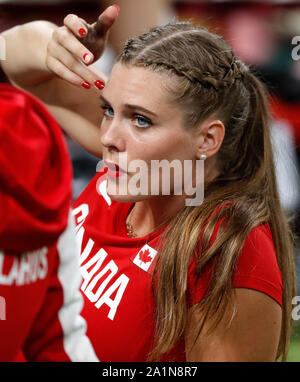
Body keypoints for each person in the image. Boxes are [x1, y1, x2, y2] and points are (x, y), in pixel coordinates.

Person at [1, 5, 296, 362]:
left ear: (206, 140)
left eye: (140, 120)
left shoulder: (228, 252)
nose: (108, 136)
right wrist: (56, 43)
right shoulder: (139, 173)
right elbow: (13, 61)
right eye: (108, 109)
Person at [0, 84, 99, 362]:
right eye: (109, 111)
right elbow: (58, 341)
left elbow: (56, 337)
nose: (113, 137)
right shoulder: (39, 143)